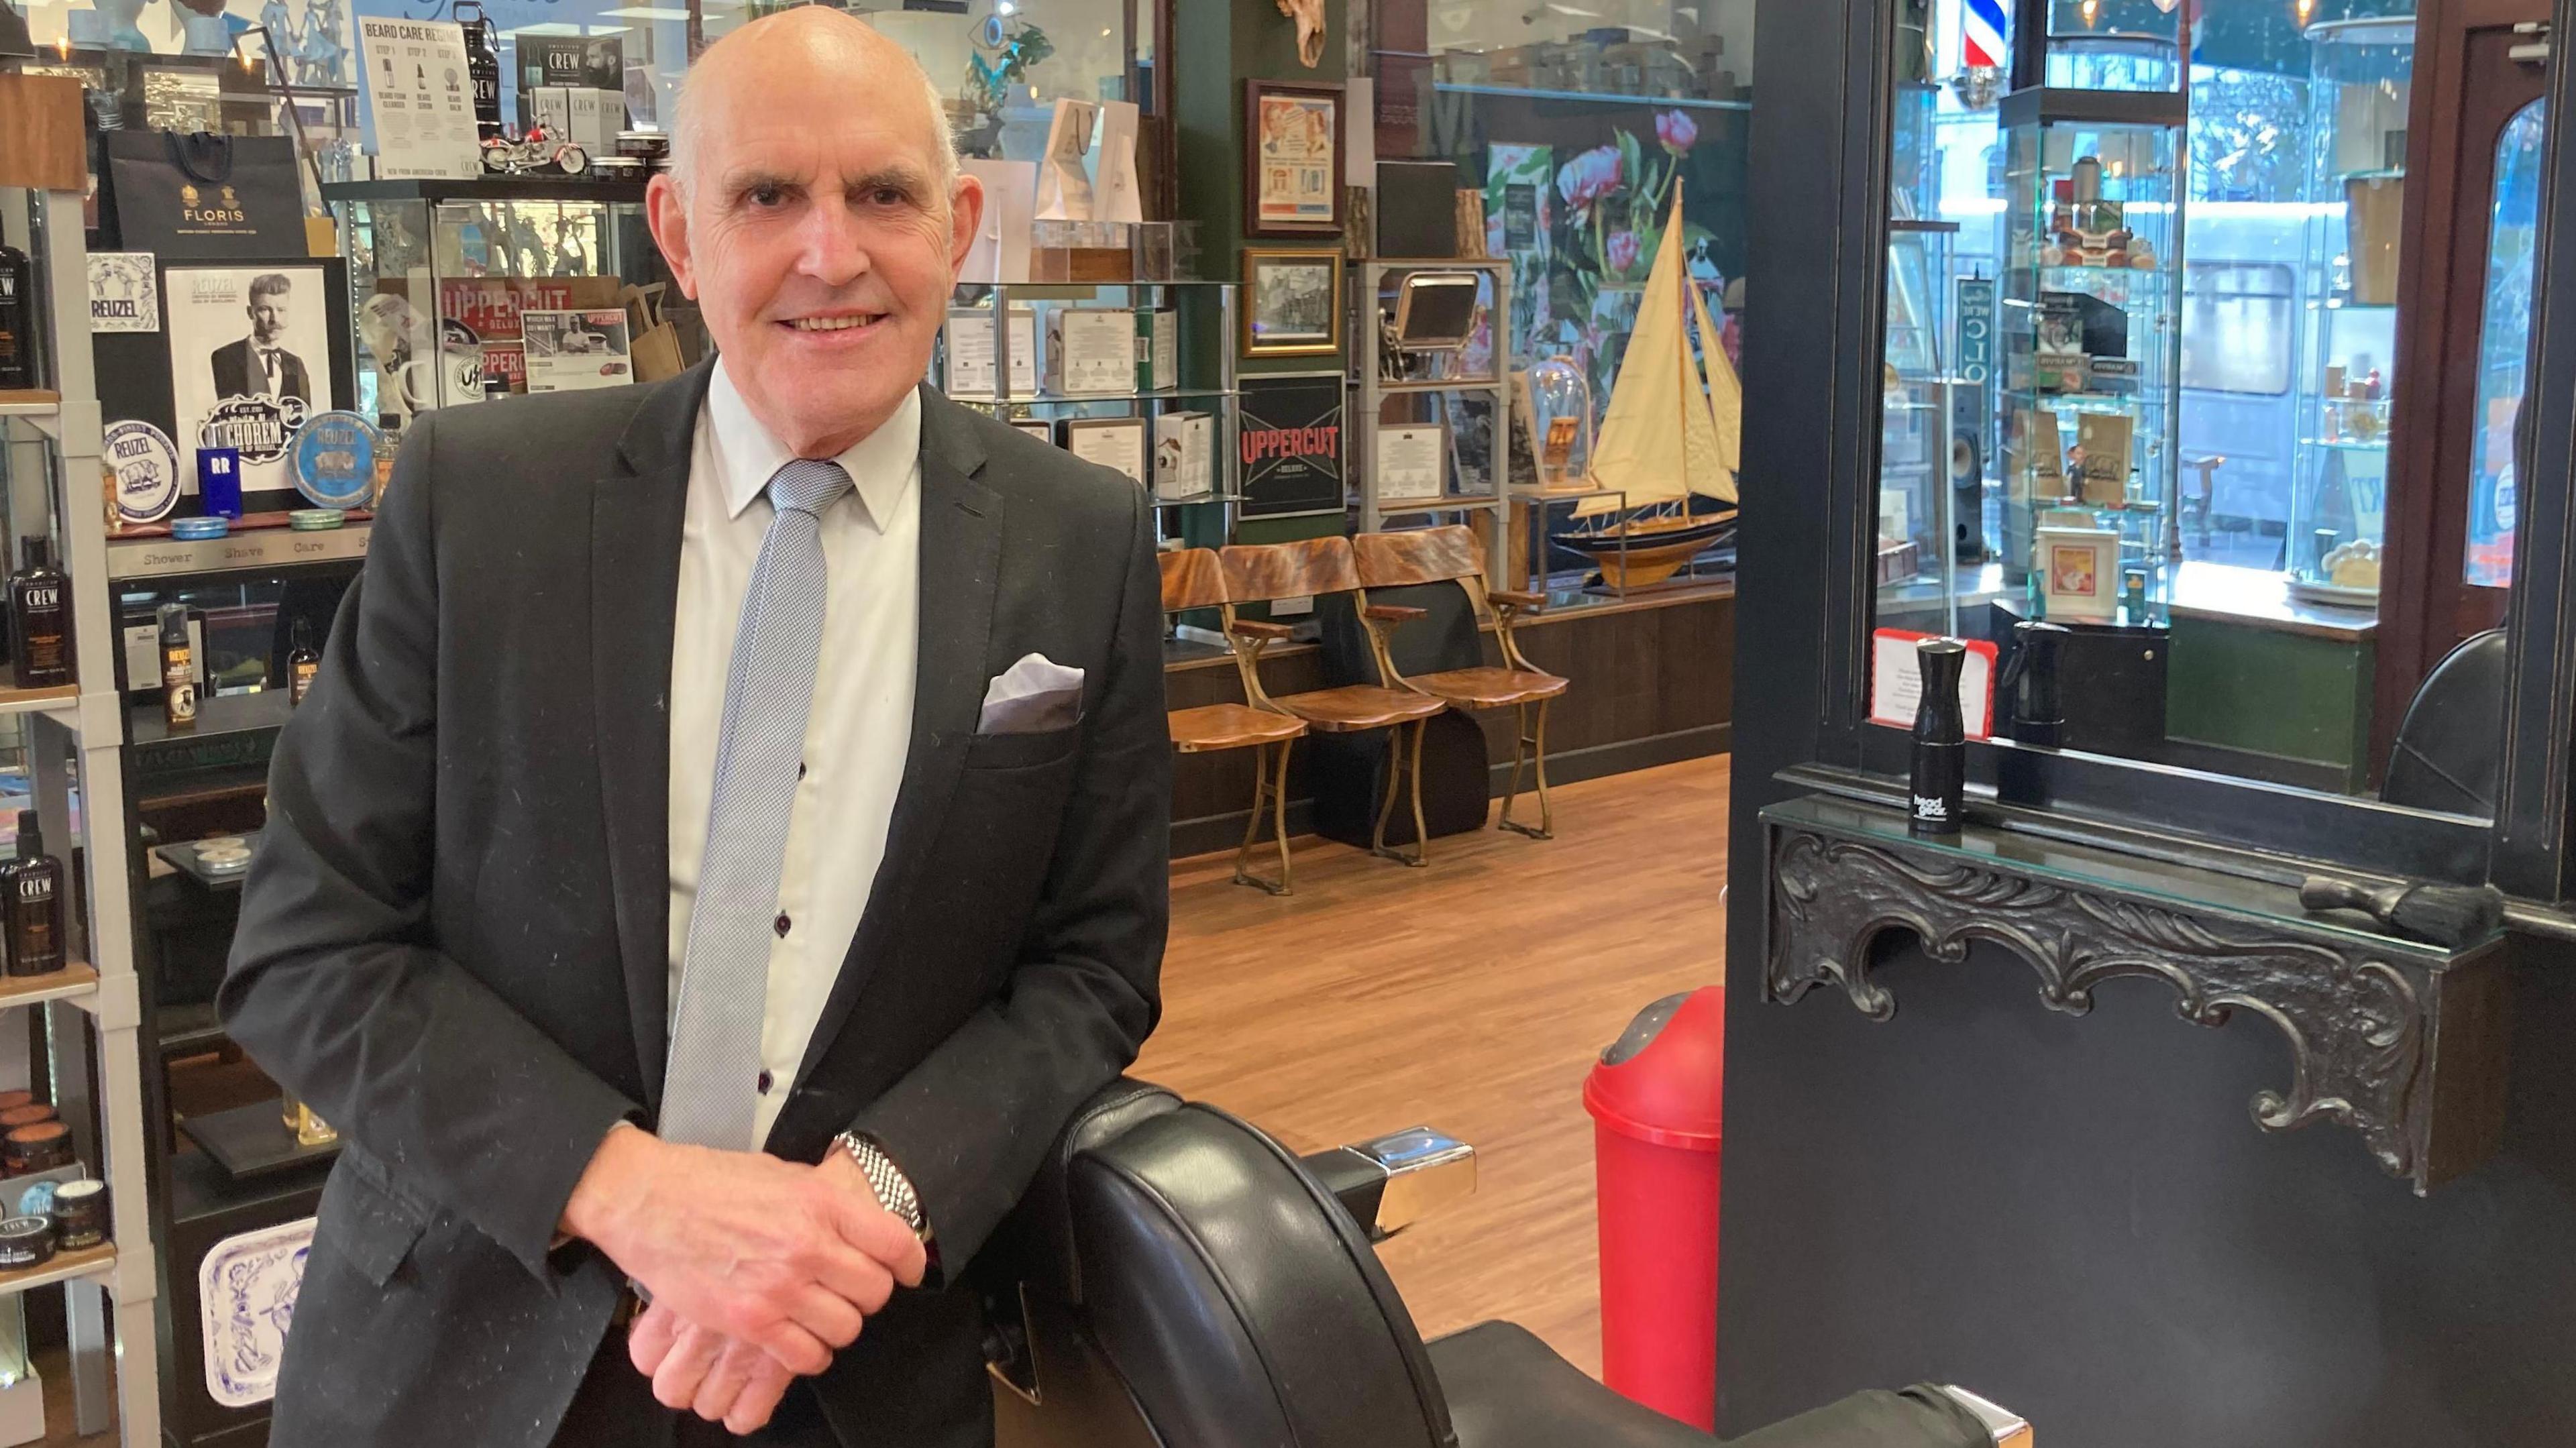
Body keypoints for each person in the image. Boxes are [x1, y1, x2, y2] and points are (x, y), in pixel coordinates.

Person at [218, 11, 1170, 1447]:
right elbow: (306, 945)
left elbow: (1093, 964)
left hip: (852, 1352)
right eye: (769, 195)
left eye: (885, 195)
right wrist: (636, 1191)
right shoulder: (482, 503)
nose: (830, 254)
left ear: (960, 223)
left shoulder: (1080, 540)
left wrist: (878, 1190)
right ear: (677, 231)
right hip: (466, 1349)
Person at [209, 272, 312, 403]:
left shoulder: (296, 363)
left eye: (281, 310)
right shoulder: (226, 357)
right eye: (265, 310)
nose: (275, 319)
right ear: (250, 313)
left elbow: (306, 417)